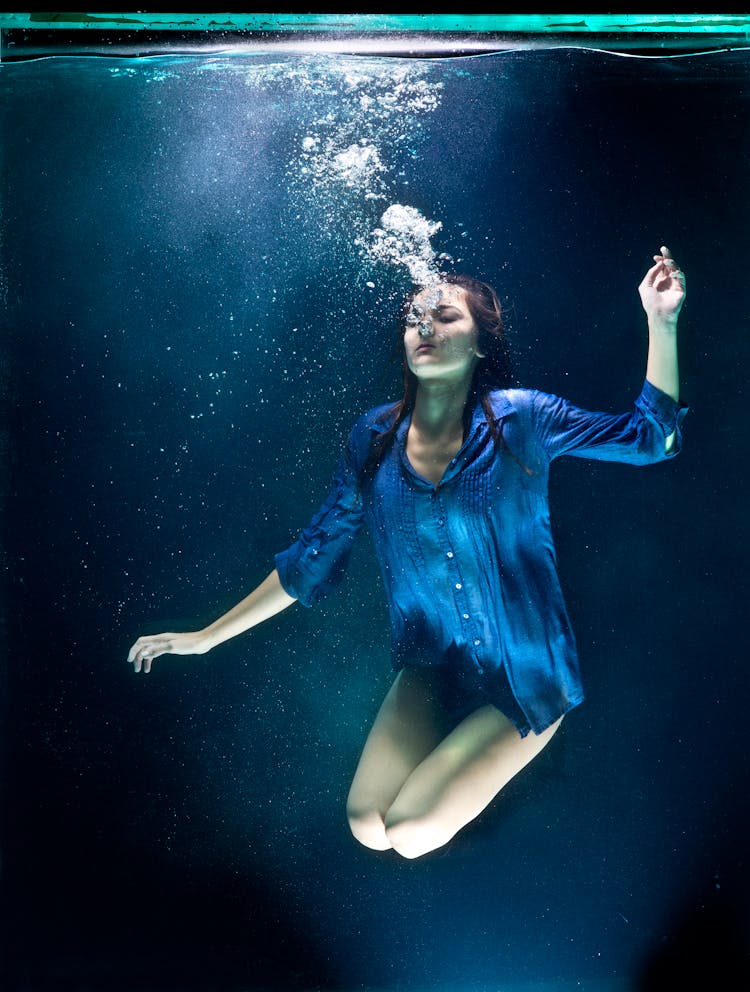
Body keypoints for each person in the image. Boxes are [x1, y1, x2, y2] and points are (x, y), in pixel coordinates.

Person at [128, 246, 687, 860]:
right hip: (431, 667)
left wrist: (661, 322)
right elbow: (313, 556)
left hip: (527, 671)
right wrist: (207, 636)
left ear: (479, 343)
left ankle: (505, 762)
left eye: (446, 317)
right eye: (415, 317)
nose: (425, 326)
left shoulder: (524, 418)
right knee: (369, 824)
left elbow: (650, 439)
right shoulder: (373, 437)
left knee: (412, 830)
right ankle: (458, 756)